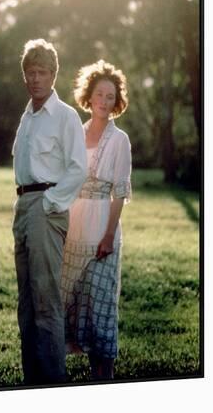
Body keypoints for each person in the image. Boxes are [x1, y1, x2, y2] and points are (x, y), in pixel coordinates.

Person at [11, 38, 87, 385]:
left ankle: (53, 382)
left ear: (54, 75)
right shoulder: (27, 117)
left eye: (42, 72)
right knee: (26, 302)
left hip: (46, 207)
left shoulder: (65, 116)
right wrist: (28, 205)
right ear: (24, 75)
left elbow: (77, 169)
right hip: (23, 206)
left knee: (45, 301)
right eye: (30, 72)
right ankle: (32, 380)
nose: (36, 78)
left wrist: (50, 204)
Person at [60, 59, 132, 381]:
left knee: (101, 311)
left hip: (102, 233)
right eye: (100, 94)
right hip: (73, 229)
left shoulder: (120, 141)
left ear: (116, 103)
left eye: (110, 97)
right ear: (89, 96)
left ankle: (105, 380)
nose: (104, 101)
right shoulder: (75, 132)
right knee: (72, 306)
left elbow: (119, 193)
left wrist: (107, 236)